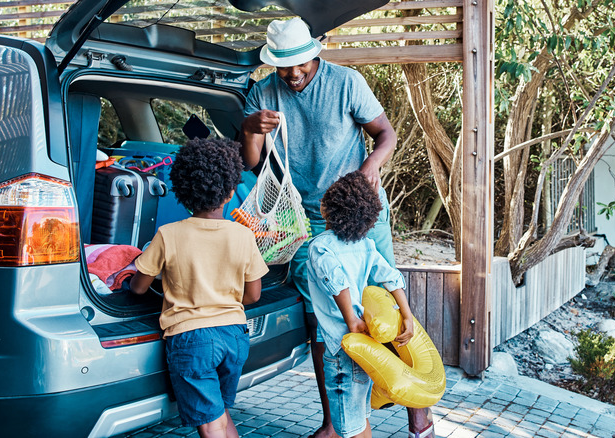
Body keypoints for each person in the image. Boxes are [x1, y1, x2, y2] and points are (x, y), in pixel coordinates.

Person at [240, 17, 434, 438]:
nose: (293, 75)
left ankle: (419, 417)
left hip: (361, 210)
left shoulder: (346, 82)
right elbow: (254, 164)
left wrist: (367, 172)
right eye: (283, 67)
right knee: (323, 317)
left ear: (316, 51)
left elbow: (386, 134)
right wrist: (251, 129)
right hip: (305, 217)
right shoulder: (263, 93)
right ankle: (334, 423)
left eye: (300, 65)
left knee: (385, 304)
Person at [129, 138, 268, 438]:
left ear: (183, 191)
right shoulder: (244, 236)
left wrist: (138, 274)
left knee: (211, 423)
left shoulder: (168, 235)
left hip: (192, 340)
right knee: (218, 412)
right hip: (234, 337)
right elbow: (253, 295)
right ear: (231, 190)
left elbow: (138, 287)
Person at [307, 170, 414, 438]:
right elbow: (391, 277)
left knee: (349, 426)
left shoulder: (321, 246)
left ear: (324, 209)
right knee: (360, 416)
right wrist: (407, 315)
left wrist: (351, 320)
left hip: (343, 347)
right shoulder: (366, 246)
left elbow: (336, 280)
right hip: (367, 345)